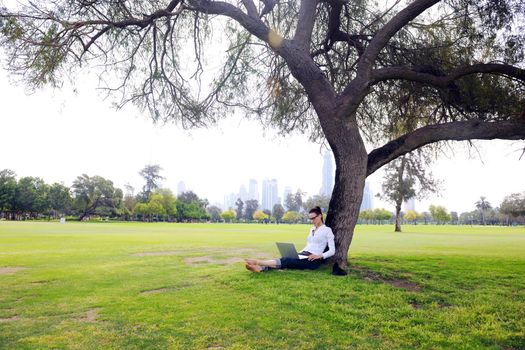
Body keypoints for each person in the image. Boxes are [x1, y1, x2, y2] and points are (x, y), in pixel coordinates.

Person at [245, 206, 335, 273]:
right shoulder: (312, 229)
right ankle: (260, 268)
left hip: (313, 261)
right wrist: (298, 254)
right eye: (310, 219)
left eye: (313, 218)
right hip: (303, 255)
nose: (311, 221)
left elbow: (332, 251)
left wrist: (319, 256)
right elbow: (309, 245)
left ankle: (258, 262)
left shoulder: (327, 230)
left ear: (320, 216)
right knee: (286, 260)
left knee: (287, 260)